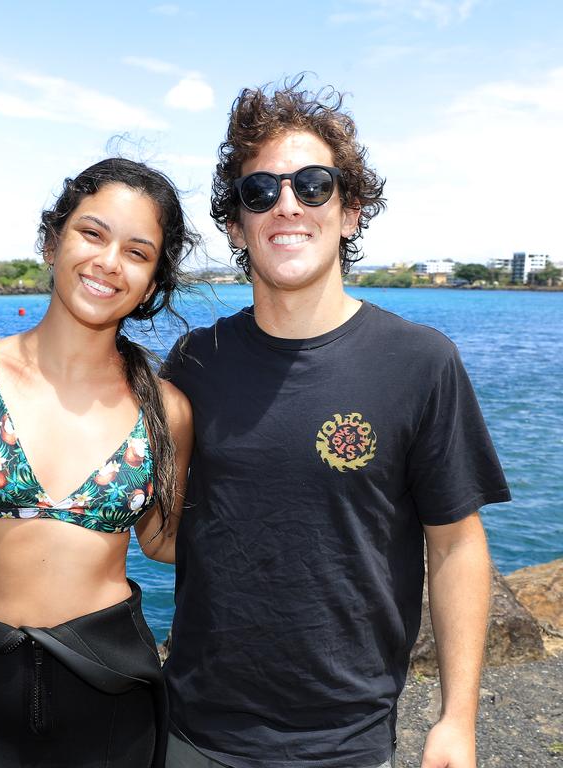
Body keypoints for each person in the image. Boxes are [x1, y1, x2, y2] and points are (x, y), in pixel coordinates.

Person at [159, 79, 511, 768]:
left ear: (350, 212)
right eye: (259, 191)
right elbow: (164, 533)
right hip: (196, 734)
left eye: (313, 185)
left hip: (347, 745)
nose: (286, 204)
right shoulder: (196, 361)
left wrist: (456, 721)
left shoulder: (421, 362)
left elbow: (456, 548)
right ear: (236, 225)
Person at [0, 158, 195, 768]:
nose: (107, 262)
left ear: (152, 282)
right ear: (54, 241)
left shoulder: (166, 408)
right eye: (92, 233)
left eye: (137, 251)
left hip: (110, 699)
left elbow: (162, 539)